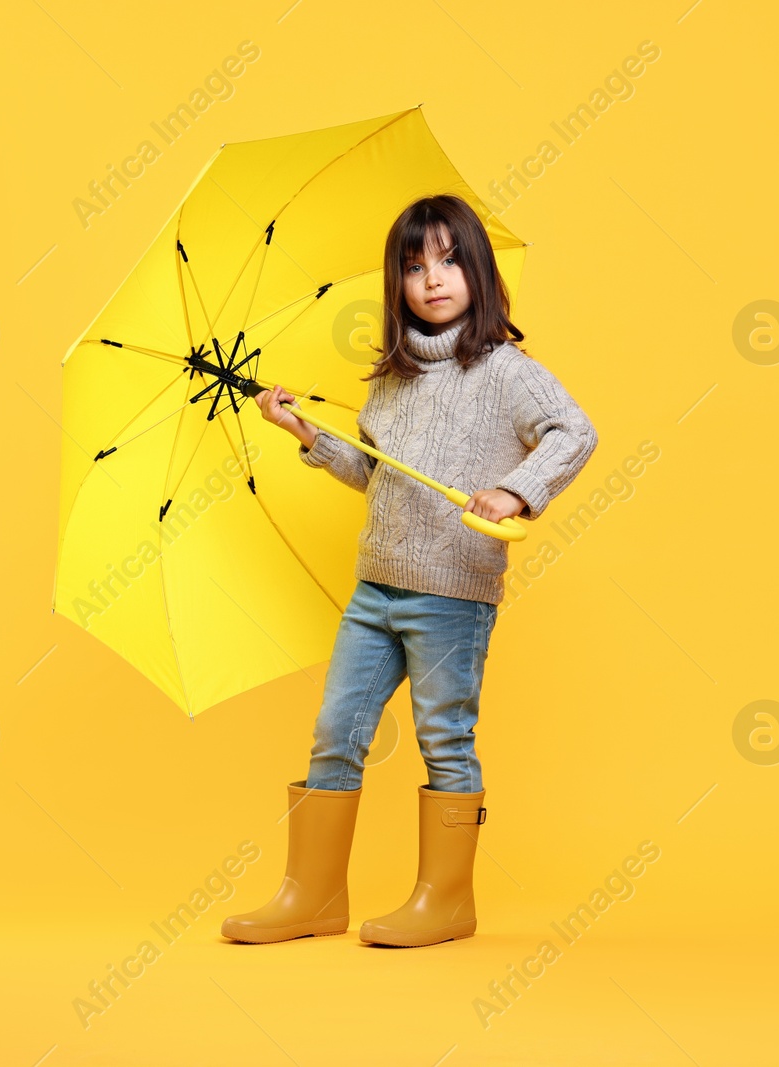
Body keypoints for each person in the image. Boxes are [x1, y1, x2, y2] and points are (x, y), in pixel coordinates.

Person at [221, 194, 598, 948]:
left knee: (443, 737)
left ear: (479, 272)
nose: (432, 278)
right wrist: (306, 433)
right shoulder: (388, 380)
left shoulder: (505, 372)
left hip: (452, 594)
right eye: (414, 265)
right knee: (336, 729)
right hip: (375, 588)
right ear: (396, 284)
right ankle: (313, 894)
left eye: (450, 259)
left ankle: (446, 899)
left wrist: (517, 490)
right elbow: (376, 473)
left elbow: (575, 432)